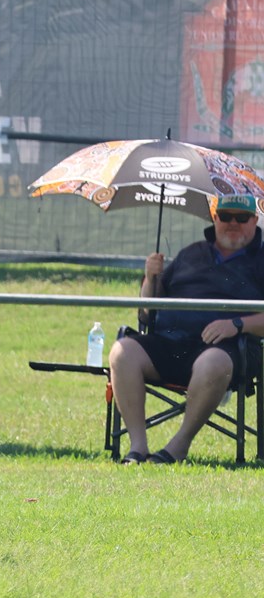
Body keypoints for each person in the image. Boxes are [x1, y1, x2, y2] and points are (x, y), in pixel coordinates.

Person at [109, 194, 264, 464]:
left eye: (241, 218)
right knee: (123, 351)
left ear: (255, 221)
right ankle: (137, 447)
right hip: (172, 343)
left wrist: (236, 324)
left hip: (229, 351)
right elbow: (147, 311)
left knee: (214, 360)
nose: (233, 224)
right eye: (225, 217)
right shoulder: (191, 253)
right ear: (215, 219)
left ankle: (177, 448)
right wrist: (150, 278)